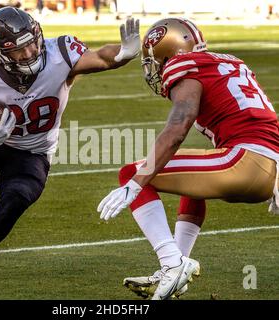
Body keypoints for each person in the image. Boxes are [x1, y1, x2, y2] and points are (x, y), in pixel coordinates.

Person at [0, 7, 140, 291]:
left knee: (14, 203)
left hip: (32, 152)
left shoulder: (59, 53)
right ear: (0, 51)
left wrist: (122, 54)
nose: (29, 54)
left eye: (32, 44)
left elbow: (100, 57)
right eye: (19, 50)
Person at [97, 17, 279, 300]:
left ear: (170, 51)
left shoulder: (184, 63)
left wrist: (136, 183)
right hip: (270, 167)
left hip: (244, 161)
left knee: (133, 172)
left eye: (156, 60)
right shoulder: (231, 62)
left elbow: (179, 125)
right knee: (193, 183)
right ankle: (176, 264)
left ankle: (172, 262)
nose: (156, 68)